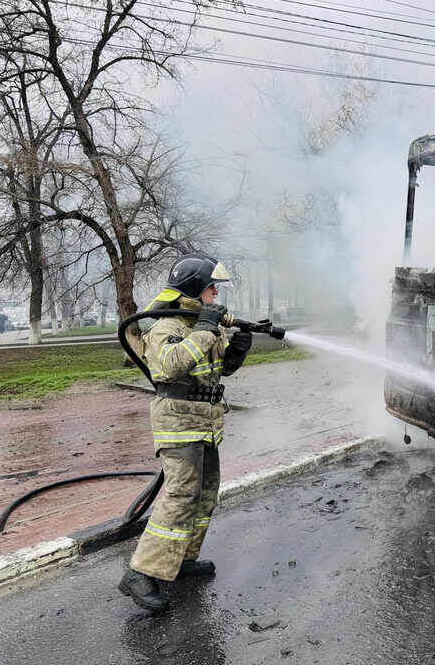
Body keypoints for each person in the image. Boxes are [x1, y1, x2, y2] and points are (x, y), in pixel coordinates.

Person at [118, 253, 253, 612]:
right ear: (195, 291)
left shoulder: (199, 326)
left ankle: (180, 560)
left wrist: (236, 352)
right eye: (212, 290)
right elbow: (170, 367)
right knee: (179, 496)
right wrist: (206, 330)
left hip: (205, 424)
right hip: (178, 424)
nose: (216, 297)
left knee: (205, 495)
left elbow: (214, 370)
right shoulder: (168, 327)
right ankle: (140, 573)